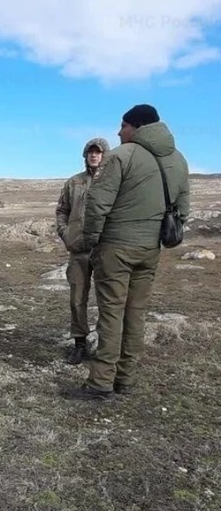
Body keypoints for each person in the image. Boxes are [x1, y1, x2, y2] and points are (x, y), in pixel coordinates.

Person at [68, 104, 190, 400]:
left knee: (111, 314)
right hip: (150, 251)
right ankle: (126, 379)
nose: (118, 131)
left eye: (122, 126)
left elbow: (98, 203)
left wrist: (92, 240)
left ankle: (100, 383)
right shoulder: (178, 160)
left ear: (136, 127)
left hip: (115, 249)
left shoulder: (122, 155)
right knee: (136, 314)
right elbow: (183, 208)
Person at [55, 136, 110, 365]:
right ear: (85, 155)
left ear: (105, 156)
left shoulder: (113, 182)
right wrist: (66, 234)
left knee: (108, 298)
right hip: (78, 249)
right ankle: (79, 343)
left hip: (105, 248)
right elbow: (62, 210)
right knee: (77, 297)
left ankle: (106, 346)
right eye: (90, 152)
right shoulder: (73, 182)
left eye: (98, 152)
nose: (94, 155)